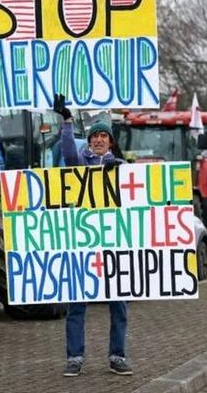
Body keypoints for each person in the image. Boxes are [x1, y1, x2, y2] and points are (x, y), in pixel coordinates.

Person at [52, 93, 132, 377]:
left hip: (112, 245)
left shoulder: (121, 167)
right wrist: (66, 121)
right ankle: (74, 357)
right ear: (89, 141)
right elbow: (67, 152)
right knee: (77, 305)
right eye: (94, 136)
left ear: (110, 142)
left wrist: (118, 172)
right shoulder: (79, 162)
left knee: (119, 305)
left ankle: (117, 356)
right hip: (82, 246)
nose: (98, 140)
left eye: (103, 136)